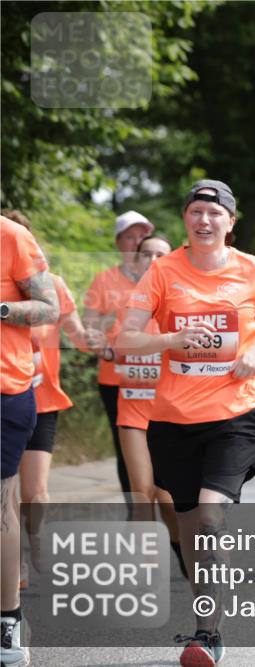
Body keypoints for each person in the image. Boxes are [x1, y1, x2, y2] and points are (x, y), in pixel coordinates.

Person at [118, 180, 255, 666]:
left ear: (230, 222)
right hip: (173, 419)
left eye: (214, 214)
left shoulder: (254, 269)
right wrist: (172, 339)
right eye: (196, 212)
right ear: (185, 219)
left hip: (235, 413)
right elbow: (125, 340)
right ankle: (208, 612)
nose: (204, 221)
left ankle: (207, 634)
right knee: (192, 530)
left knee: (212, 518)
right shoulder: (161, 272)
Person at [0, 210, 87, 586]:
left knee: (34, 490)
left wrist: (101, 344)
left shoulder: (51, 286)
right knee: (9, 489)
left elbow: (76, 332)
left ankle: (36, 539)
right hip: (14, 391)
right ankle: (14, 561)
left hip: (41, 397)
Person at [111, 234, 187, 576]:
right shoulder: (127, 307)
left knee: (168, 498)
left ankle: (182, 549)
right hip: (133, 408)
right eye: (147, 254)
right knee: (142, 491)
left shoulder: (182, 305)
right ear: (136, 261)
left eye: (161, 254)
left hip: (169, 412)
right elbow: (116, 347)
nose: (153, 260)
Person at [1, 214, 59, 667]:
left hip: (5, 390)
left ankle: (8, 622)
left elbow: (49, 307)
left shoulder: (10, 235)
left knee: (8, 500)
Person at [83, 210, 155, 504]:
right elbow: (89, 328)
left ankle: (170, 509)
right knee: (126, 448)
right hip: (117, 377)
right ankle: (136, 511)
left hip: (161, 376)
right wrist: (103, 338)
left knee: (162, 442)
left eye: (142, 236)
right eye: (130, 236)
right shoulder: (104, 281)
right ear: (118, 242)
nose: (137, 242)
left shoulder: (162, 277)